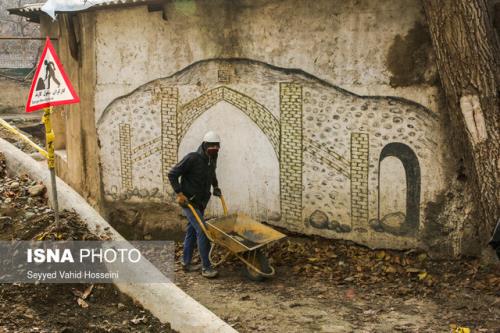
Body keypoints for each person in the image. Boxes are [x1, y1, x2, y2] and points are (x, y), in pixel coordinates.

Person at [168, 131, 222, 278]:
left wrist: (215, 186)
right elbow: (172, 174)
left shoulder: (212, 158)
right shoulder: (192, 158)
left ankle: (186, 263)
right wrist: (179, 193)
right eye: (211, 146)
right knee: (203, 231)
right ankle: (206, 267)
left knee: (192, 231)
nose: (214, 149)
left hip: (201, 201)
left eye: (216, 146)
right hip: (189, 201)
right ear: (204, 145)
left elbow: (212, 173)